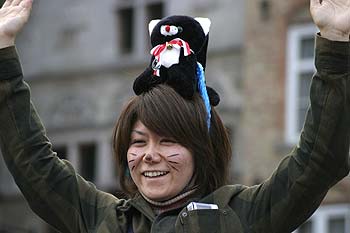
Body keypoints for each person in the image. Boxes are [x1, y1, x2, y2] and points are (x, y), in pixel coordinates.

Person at [0, 0, 349, 232]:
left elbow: (317, 162)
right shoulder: (105, 219)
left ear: (202, 148)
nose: (149, 154)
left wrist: (334, 43)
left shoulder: (242, 216)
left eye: (168, 141)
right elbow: (34, 164)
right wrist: (3, 54)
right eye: (138, 141)